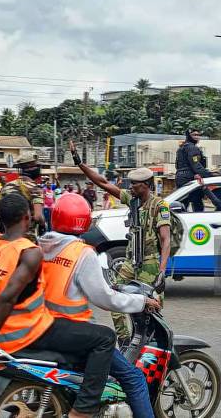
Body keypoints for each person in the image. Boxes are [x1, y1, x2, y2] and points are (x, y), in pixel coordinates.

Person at [0, 187, 115, 418]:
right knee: (105, 338)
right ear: (27, 217)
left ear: (2, 219)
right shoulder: (29, 252)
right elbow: (6, 299)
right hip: (28, 332)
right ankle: (83, 410)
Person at [39, 193, 161, 417]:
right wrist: (141, 301)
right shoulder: (81, 253)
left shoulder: (41, 246)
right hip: (74, 333)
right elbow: (105, 298)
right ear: (84, 221)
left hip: (41, 328)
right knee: (133, 377)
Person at [70, 140, 171, 346]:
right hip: (130, 262)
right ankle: (126, 342)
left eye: (135, 184)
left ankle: (153, 343)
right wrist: (80, 163)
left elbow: (165, 239)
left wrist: (162, 270)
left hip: (149, 264)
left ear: (146, 185)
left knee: (149, 307)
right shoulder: (131, 200)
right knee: (114, 299)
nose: (130, 186)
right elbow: (103, 183)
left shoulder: (160, 206)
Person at [0, 156, 45, 241]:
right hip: (26, 238)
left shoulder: (7, 186)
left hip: (6, 237)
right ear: (31, 168)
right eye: (36, 166)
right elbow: (38, 216)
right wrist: (43, 224)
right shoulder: (35, 189)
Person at [175, 128, 213, 212]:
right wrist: (210, 175)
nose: (197, 137)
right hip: (190, 178)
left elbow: (177, 165)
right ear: (189, 136)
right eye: (194, 135)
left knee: (182, 204)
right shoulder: (192, 148)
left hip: (180, 177)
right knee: (197, 203)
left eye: (198, 135)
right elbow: (196, 165)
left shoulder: (181, 148)